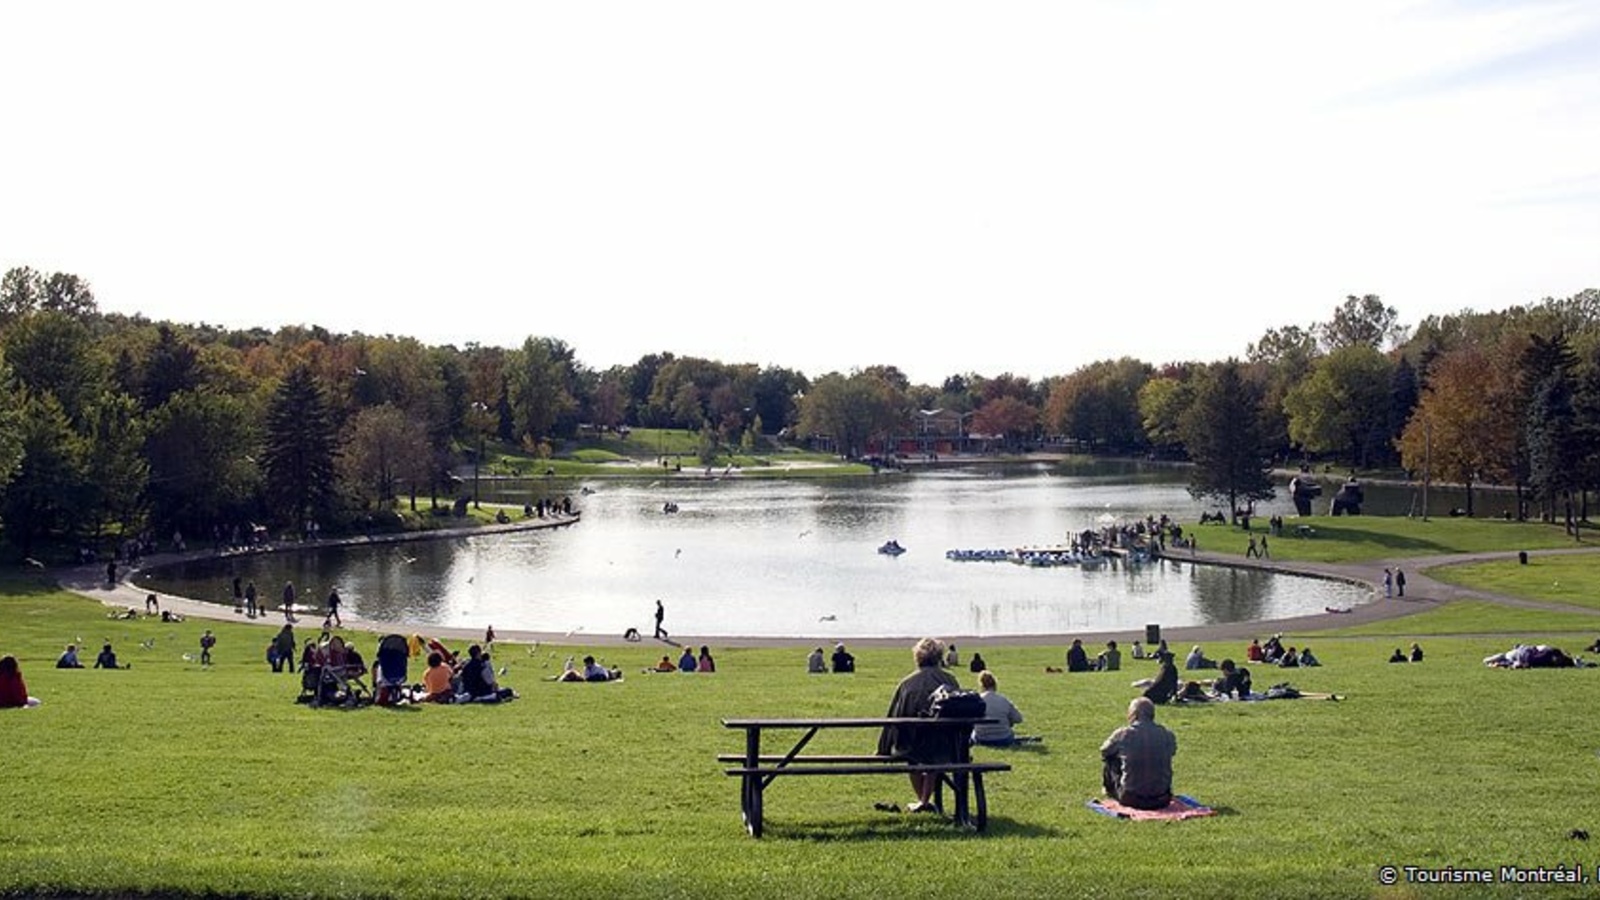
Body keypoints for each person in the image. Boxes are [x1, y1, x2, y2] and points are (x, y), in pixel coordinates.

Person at [878, 638, 960, 813]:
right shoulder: (950, 680)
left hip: (911, 743)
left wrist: (883, 748)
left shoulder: (907, 683)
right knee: (933, 758)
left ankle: (922, 800)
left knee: (914, 759)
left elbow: (893, 716)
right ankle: (924, 800)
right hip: (944, 743)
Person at [1100, 697, 1178, 810]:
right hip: (1162, 799)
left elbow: (1104, 751)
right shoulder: (1167, 734)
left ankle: (1110, 790)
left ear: (1133, 714)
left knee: (1111, 757)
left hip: (1131, 799)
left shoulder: (1123, 734)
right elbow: (1172, 752)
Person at [972, 670, 1025, 747]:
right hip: (1003, 738)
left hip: (981, 738)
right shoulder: (1003, 700)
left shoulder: (976, 701)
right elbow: (1018, 719)